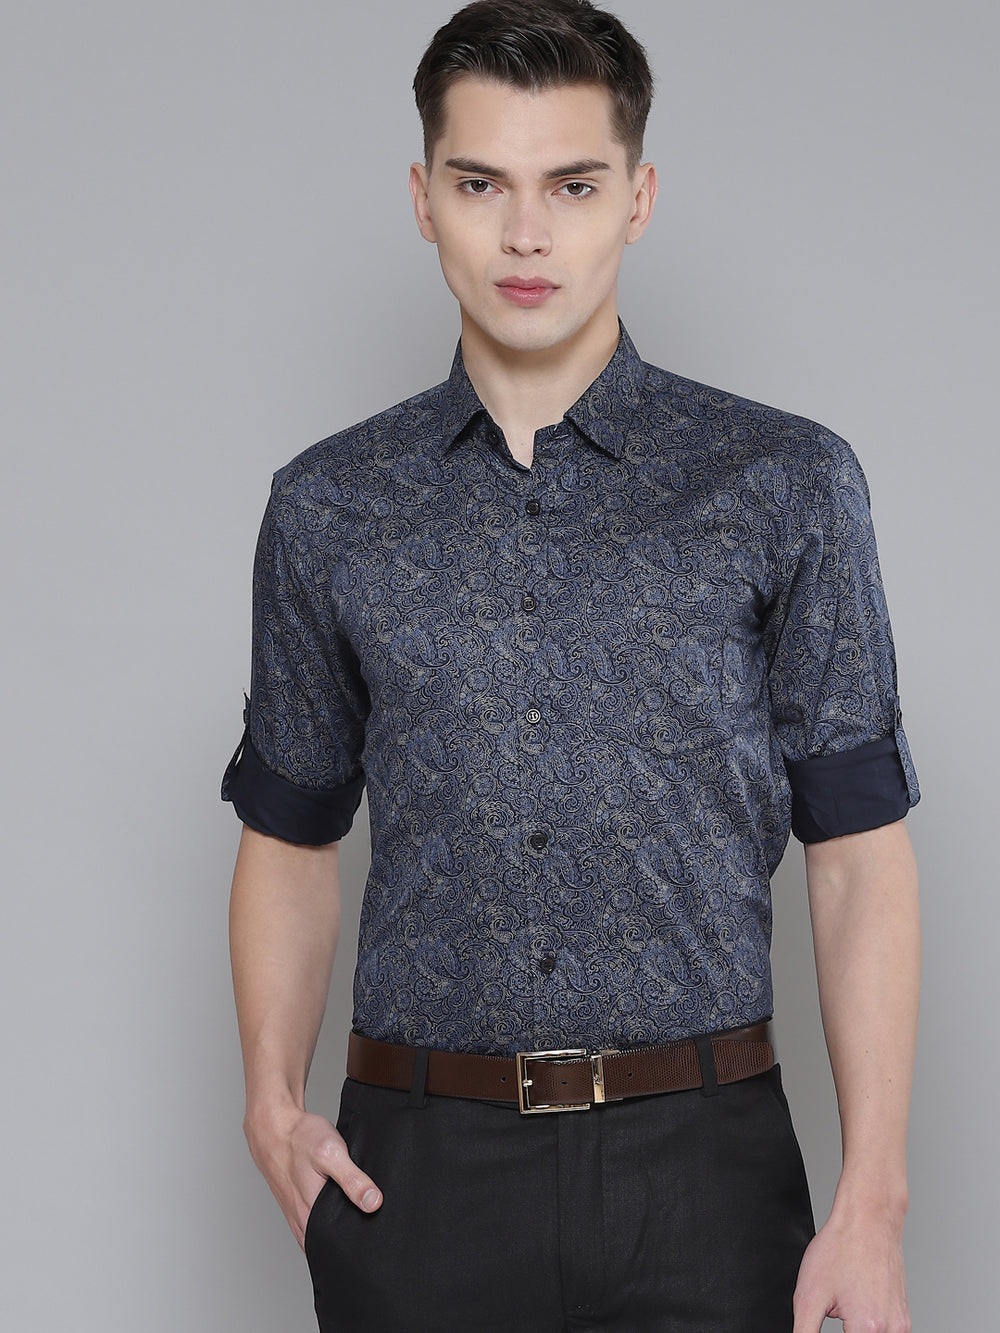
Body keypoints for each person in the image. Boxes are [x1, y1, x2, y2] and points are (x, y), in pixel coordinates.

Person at [222, 1, 921, 1328]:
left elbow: (859, 853)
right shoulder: (329, 506)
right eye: (481, 183)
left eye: (574, 185)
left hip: (707, 1172)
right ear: (424, 200)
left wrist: (873, 1198)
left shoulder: (784, 483)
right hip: (419, 1178)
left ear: (638, 200)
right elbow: (290, 832)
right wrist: (268, 1099)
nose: (527, 235)